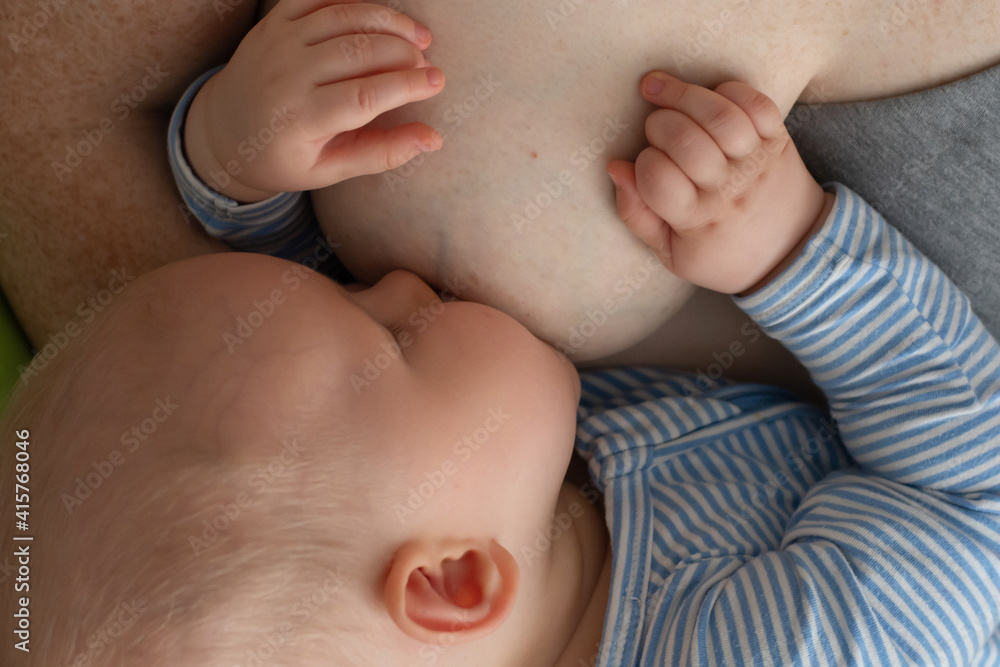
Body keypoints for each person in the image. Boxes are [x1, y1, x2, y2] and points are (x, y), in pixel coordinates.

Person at [5, 31, 1000, 660]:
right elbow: (973, 491)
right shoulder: (787, 647)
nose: (398, 283)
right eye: (394, 335)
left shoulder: (476, 505)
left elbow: (285, 349)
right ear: (453, 581)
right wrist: (789, 253)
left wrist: (234, 170)